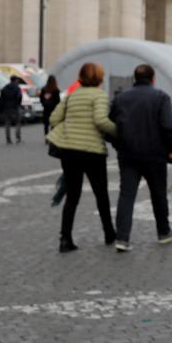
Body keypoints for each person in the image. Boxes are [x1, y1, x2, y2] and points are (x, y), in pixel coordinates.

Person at [109, 64, 172, 252]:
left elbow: (110, 125)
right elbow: (168, 126)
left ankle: (122, 238)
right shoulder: (161, 97)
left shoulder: (121, 98)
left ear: (134, 78)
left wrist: (119, 144)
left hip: (128, 154)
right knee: (158, 194)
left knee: (126, 195)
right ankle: (163, 231)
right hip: (155, 154)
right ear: (153, 78)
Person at [47, 62, 117, 253]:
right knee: (101, 194)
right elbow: (101, 120)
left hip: (69, 150)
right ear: (99, 78)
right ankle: (109, 233)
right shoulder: (99, 95)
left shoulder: (71, 95)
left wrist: (71, 124)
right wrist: (118, 131)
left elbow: (53, 119)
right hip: (92, 150)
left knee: (72, 195)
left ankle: (65, 238)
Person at [0, 77, 24, 144]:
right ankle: (18, 138)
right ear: (16, 80)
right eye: (17, 80)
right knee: (17, 123)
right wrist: (18, 104)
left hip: (6, 108)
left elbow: (1, 98)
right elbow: (19, 97)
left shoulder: (5, 88)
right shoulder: (17, 88)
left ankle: (8, 139)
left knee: (7, 123)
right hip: (15, 107)